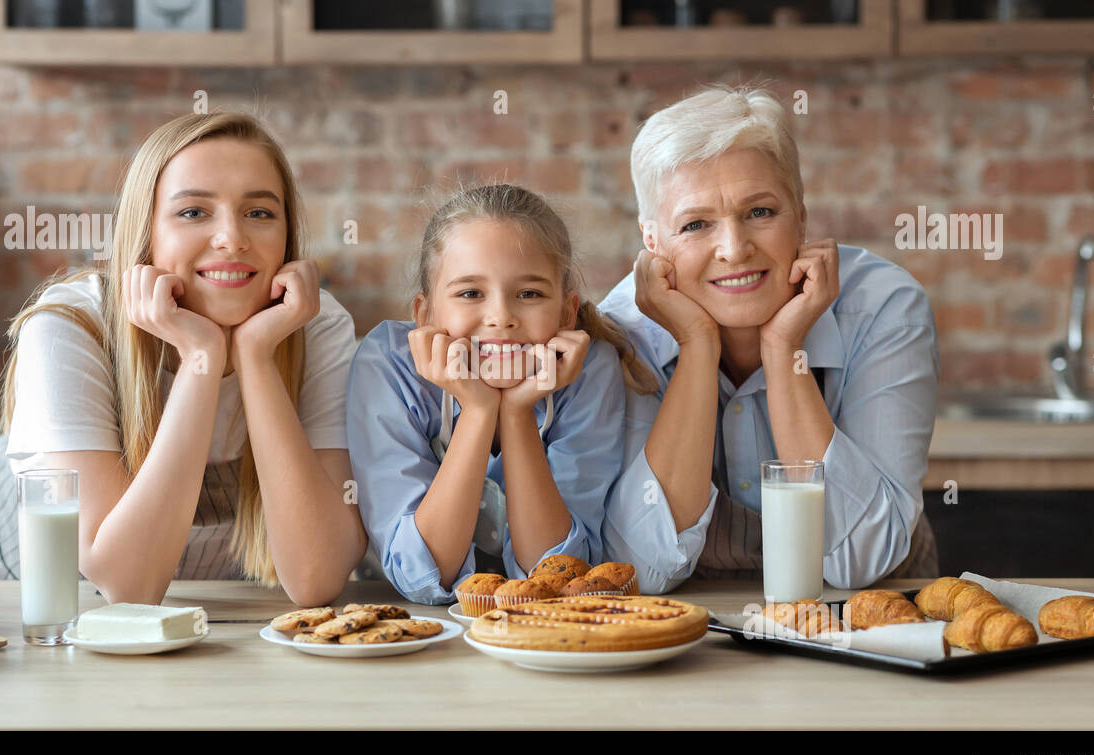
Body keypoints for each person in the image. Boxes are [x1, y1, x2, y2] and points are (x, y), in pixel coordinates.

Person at [0, 112, 366, 606]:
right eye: (192, 213)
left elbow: (317, 577)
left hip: (196, 615)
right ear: (146, 234)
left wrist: (255, 356)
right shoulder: (68, 328)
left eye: (260, 213)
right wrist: (201, 356)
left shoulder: (315, 326)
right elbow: (128, 584)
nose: (232, 238)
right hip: (19, 596)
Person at [599, 84, 940, 594]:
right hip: (696, 629)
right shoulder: (623, 333)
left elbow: (861, 560)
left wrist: (784, 352)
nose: (734, 250)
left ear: (800, 216)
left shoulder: (884, 310)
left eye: (760, 212)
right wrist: (696, 347)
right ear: (653, 243)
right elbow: (643, 569)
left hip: (870, 619)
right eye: (696, 224)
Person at [346, 184, 654, 605]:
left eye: (529, 294)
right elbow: (421, 574)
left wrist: (517, 413)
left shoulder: (589, 369)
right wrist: (478, 410)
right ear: (425, 314)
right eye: (470, 293)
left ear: (566, 312)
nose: (501, 318)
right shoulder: (388, 365)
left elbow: (553, 574)